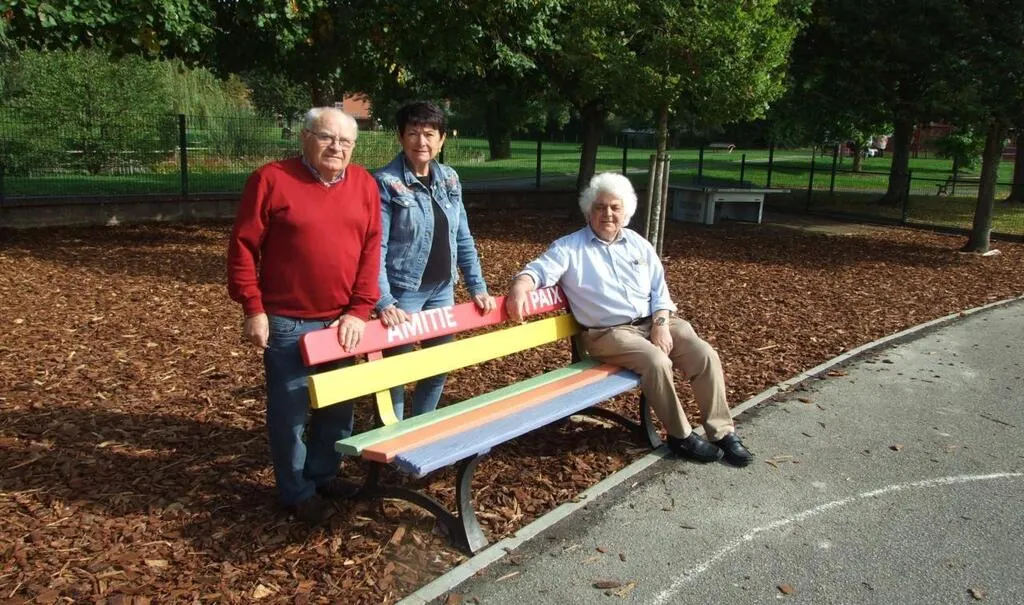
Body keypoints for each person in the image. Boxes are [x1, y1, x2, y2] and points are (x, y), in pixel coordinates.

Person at [505, 172, 754, 467]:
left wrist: (661, 324)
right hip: (608, 333)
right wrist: (521, 286)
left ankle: (722, 432)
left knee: (704, 354)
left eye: (615, 207)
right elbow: (538, 270)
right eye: (599, 207)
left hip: (653, 322)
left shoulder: (638, 244)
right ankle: (681, 435)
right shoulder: (569, 248)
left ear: (626, 212)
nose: (607, 214)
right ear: (588, 211)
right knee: (656, 361)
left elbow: (660, 291)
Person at [227, 107, 382, 524]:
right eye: (326, 137)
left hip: (342, 322)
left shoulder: (364, 184)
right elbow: (243, 247)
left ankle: (324, 474)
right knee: (291, 412)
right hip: (287, 320)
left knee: (337, 408)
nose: (336, 147)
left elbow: (371, 250)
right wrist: (253, 307)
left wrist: (359, 310)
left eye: (345, 141)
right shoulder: (271, 180)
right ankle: (296, 492)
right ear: (305, 138)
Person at [374, 101, 496, 419]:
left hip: (441, 289)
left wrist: (477, 287)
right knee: (396, 372)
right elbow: (376, 247)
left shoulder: (450, 179)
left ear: (442, 139)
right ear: (400, 137)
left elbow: (463, 237)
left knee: (438, 366)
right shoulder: (386, 183)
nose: (421, 142)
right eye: (413, 133)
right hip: (403, 293)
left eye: (429, 134)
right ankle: (393, 435)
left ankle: (422, 425)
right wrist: (384, 301)